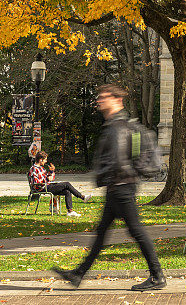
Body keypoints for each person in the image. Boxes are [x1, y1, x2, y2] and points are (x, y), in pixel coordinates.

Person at [52, 84, 165, 292]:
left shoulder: (118, 127)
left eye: (104, 97)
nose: (99, 100)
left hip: (121, 187)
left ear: (117, 100)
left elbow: (118, 161)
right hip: (117, 188)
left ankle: (157, 275)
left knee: (136, 231)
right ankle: (78, 274)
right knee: (102, 232)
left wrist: (104, 177)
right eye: (100, 97)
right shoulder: (115, 124)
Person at [28, 151, 91, 216]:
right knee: (66, 184)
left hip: (48, 186)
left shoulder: (42, 168)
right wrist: (47, 179)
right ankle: (82, 197)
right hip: (43, 188)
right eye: (45, 160)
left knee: (67, 191)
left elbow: (49, 178)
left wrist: (51, 171)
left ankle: (70, 211)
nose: (46, 161)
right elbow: (36, 182)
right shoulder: (33, 169)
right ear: (41, 160)